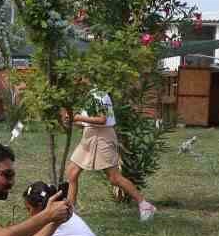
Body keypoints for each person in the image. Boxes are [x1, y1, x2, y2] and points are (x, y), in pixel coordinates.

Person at [64, 88, 156, 221]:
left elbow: (102, 119)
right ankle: (70, 213)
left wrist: (77, 117)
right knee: (72, 172)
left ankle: (145, 205)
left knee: (114, 178)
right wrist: (73, 121)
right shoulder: (89, 94)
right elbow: (87, 122)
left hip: (103, 137)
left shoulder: (100, 95)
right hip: (89, 136)